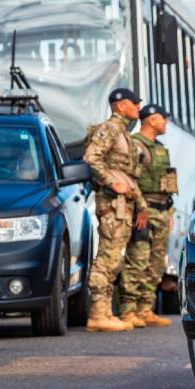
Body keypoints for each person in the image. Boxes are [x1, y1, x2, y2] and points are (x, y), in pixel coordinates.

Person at [82, 88, 149, 333]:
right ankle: (98, 313)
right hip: (111, 204)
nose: (138, 108)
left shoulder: (124, 133)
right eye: (135, 103)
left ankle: (106, 312)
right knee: (107, 257)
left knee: (115, 258)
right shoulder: (109, 129)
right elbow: (91, 158)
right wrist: (111, 182)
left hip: (123, 205)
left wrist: (141, 205)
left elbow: (129, 176)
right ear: (120, 105)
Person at [119, 103, 177, 328]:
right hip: (142, 211)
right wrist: (138, 208)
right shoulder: (135, 145)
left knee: (155, 263)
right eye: (163, 118)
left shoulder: (161, 149)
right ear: (152, 119)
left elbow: (169, 182)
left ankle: (145, 308)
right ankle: (128, 310)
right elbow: (130, 180)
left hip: (161, 211)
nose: (166, 123)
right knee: (137, 260)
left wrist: (170, 210)